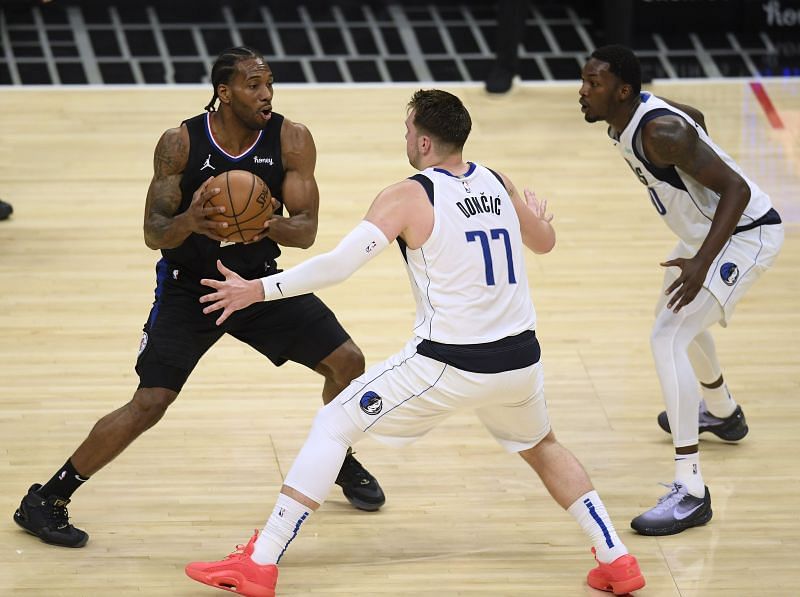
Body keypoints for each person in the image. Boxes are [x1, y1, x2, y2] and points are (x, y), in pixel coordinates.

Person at [184, 89, 645, 596]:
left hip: (450, 363)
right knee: (542, 446)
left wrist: (258, 289)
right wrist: (534, 215)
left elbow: (339, 266)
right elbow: (545, 242)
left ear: (424, 141)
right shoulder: (497, 179)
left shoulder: (408, 195)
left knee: (333, 424)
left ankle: (261, 560)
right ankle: (617, 560)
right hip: (520, 360)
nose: (404, 136)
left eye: (407, 129)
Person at [12, 46, 385, 549]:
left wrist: (262, 223)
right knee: (150, 402)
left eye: (269, 82)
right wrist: (191, 220)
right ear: (224, 92)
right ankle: (46, 499)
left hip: (257, 285)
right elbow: (153, 231)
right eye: (253, 85)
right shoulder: (180, 143)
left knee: (348, 362)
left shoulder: (292, 139)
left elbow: (307, 231)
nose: (266, 94)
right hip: (193, 289)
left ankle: (336, 457)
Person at [579, 45, 784, 536]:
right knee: (676, 321)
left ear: (622, 91)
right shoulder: (636, 118)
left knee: (666, 337)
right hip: (706, 236)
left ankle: (690, 491)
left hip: (745, 236)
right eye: (584, 81)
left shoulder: (659, 132)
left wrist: (702, 262)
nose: (583, 92)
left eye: (593, 83)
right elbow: (694, 117)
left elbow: (734, 188)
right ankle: (723, 413)